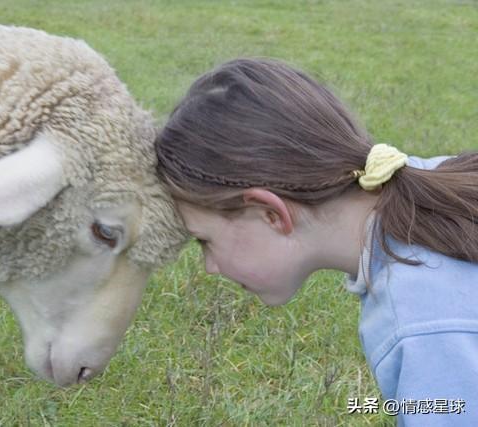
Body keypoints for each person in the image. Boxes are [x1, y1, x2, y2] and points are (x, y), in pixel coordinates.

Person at [154, 58, 478, 425]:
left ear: (270, 214)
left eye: (204, 240)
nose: (209, 267)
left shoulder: (421, 324)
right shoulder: (439, 176)